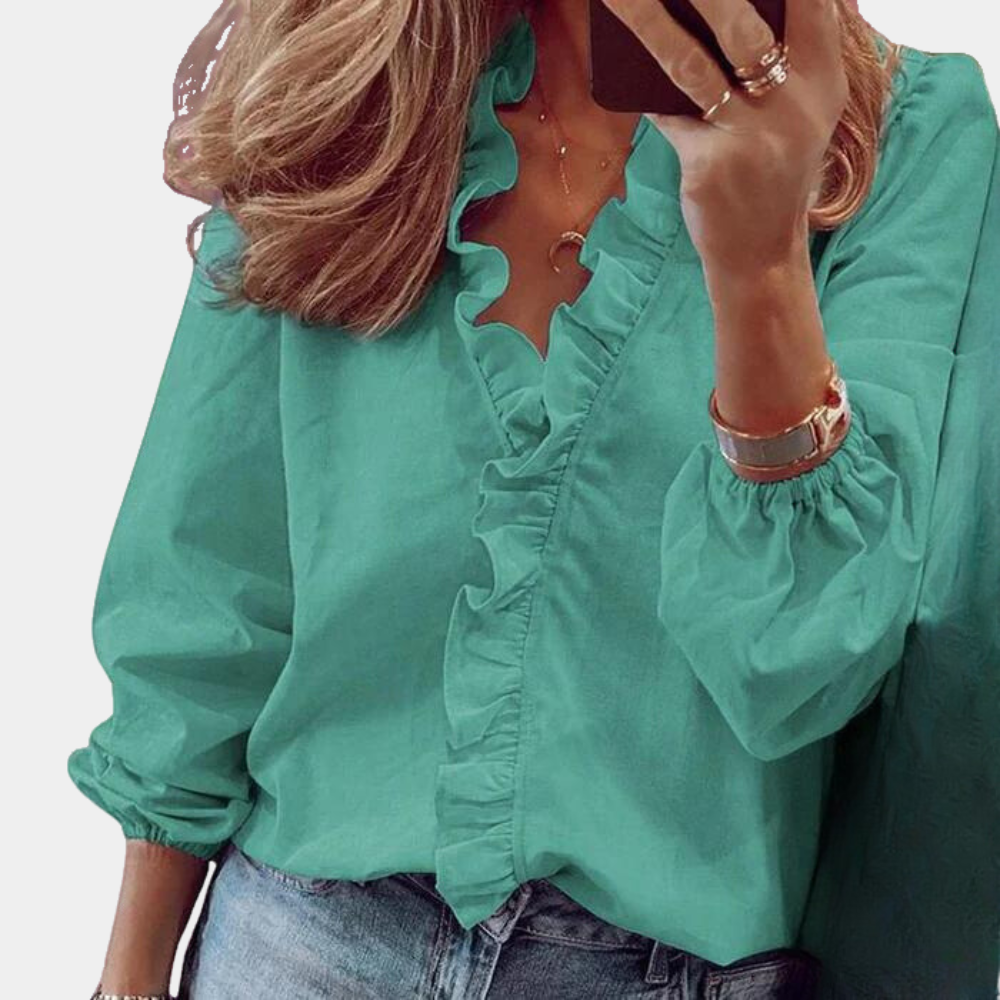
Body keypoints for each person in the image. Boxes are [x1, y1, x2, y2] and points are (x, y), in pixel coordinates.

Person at [67, 0, 1000, 997]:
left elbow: (799, 661)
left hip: (664, 973)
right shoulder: (345, 84)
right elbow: (210, 577)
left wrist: (758, 263)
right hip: (294, 946)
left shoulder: (908, 140)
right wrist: (129, 977)